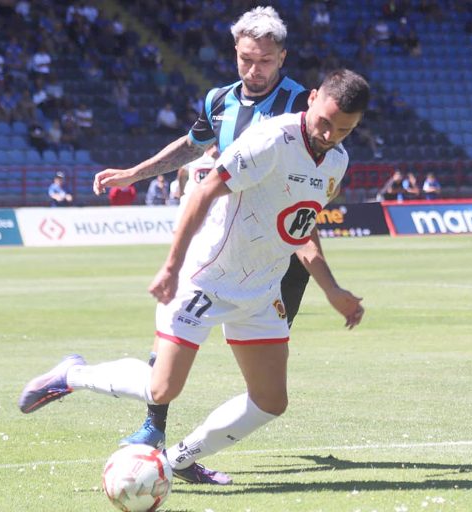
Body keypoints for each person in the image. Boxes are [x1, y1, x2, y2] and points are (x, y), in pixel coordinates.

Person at [20, 68, 369, 487]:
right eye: (325, 122)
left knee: (270, 400)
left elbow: (300, 227)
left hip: (260, 290)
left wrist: (332, 289)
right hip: (207, 278)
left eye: (344, 130)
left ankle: (177, 460)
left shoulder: (336, 161)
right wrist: (171, 267)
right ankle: (71, 375)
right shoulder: (270, 141)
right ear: (312, 99)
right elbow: (203, 192)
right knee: (162, 388)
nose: (329, 135)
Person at [88, 6, 362, 485]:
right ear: (235, 52)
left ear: (283, 58)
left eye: (265, 61)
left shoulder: (302, 109)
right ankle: (156, 425)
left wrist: (329, 284)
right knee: (173, 352)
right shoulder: (220, 99)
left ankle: (185, 448)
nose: (254, 70)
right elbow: (193, 145)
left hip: (278, 251)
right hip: (218, 243)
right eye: (245, 59)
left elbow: (303, 204)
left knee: (266, 380)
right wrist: (135, 173)